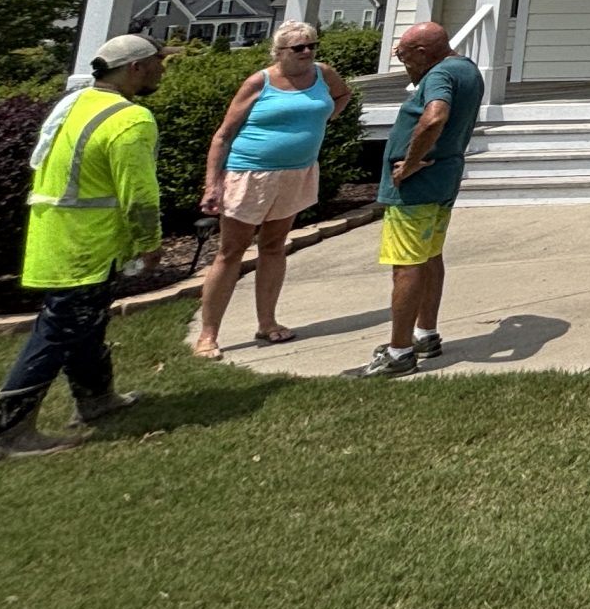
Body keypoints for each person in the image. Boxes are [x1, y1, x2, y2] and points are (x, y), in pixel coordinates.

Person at [0, 34, 165, 462]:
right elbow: (139, 193)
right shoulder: (131, 118)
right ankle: (9, 433)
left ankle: (96, 399)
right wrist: (149, 242)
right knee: (58, 331)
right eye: (159, 62)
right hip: (87, 243)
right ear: (135, 68)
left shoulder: (74, 103)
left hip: (55, 235)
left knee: (85, 322)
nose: (162, 69)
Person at [190, 21, 353, 357]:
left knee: (274, 246)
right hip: (250, 173)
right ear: (279, 52)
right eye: (298, 48)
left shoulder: (323, 73)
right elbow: (223, 135)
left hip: (297, 173)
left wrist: (322, 120)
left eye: (312, 45)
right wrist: (212, 185)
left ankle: (267, 322)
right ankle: (208, 335)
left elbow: (343, 95)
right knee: (231, 251)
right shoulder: (259, 82)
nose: (307, 52)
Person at [363, 20, 485, 379]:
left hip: (417, 186)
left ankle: (399, 352)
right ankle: (425, 334)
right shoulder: (466, 69)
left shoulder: (439, 75)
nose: (404, 64)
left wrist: (410, 162)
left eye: (404, 57)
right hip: (444, 178)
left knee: (406, 265)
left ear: (422, 52)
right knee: (430, 256)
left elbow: (435, 117)